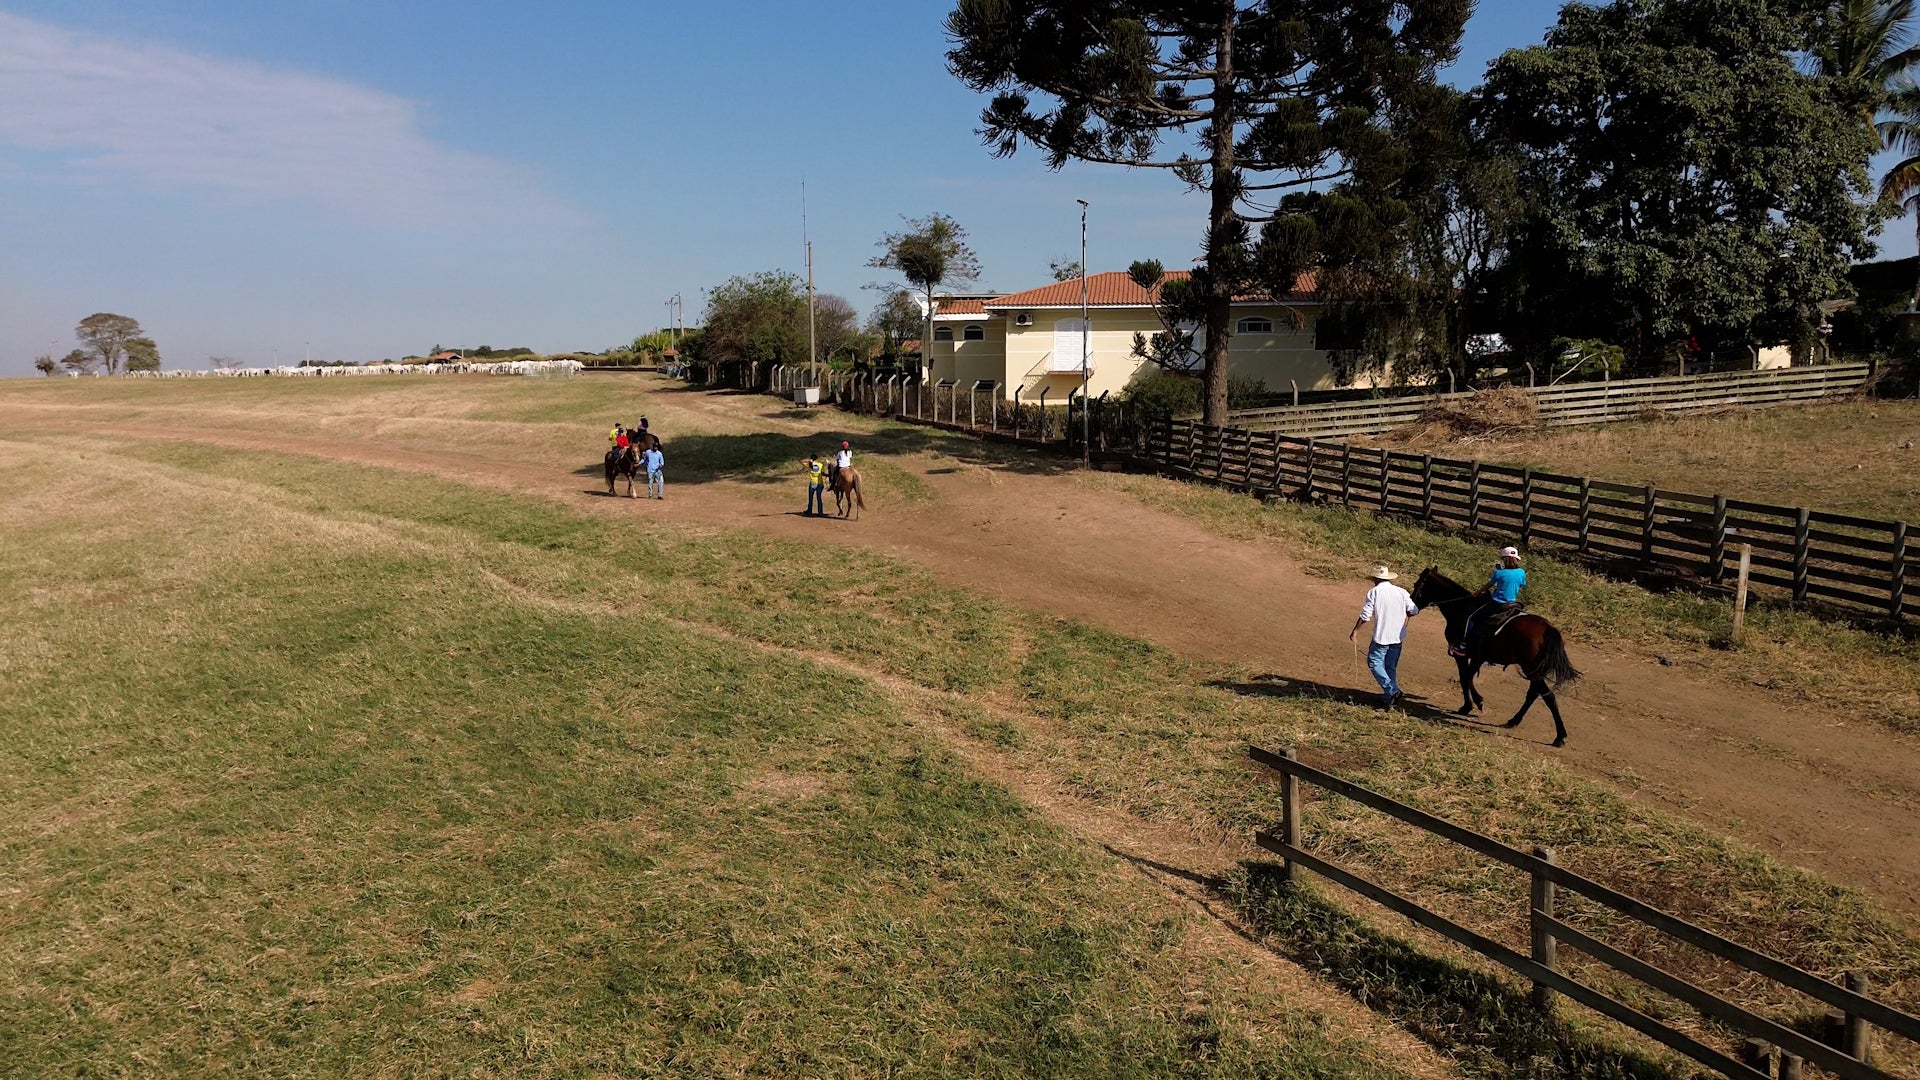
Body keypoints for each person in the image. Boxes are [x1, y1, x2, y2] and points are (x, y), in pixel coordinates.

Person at [1350, 565, 1419, 709]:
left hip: (1381, 636)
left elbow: (1365, 615)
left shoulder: (1374, 592)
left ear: (1376, 579)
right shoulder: (1402, 592)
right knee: (1390, 666)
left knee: (1374, 662)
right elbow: (1414, 610)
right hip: (1397, 637)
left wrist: (1355, 631)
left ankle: (1391, 690)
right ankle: (1389, 698)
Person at [1451, 545, 1527, 659]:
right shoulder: (1521, 572)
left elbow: (1488, 586)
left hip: (1497, 603)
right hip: (1512, 603)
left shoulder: (1499, 573)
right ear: (1516, 559)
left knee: (1471, 618)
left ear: (1504, 559)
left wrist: (1477, 593)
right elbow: (1521, 585)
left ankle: (1463, 645)